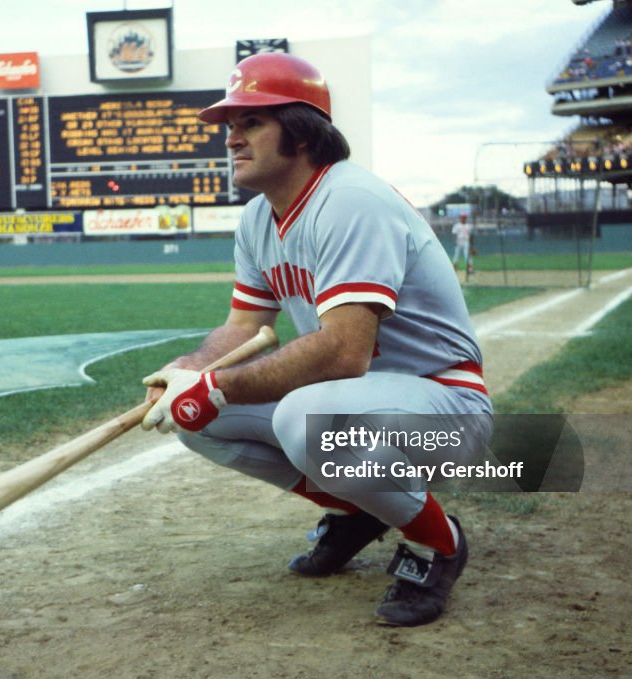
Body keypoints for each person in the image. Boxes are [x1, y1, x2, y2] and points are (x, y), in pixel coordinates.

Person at [140, 53, 493, 627]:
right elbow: (243, 328)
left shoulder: (349, 199)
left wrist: (220, 386)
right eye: (230, 126)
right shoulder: (258, 219)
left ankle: (438, 543)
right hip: (366, 401)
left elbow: (344, 352)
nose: (232, 138)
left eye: (250, 123)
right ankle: (360, 512)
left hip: (445, 404)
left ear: (302, 133)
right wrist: (187, 370)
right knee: (197, 421)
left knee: (306, 416)